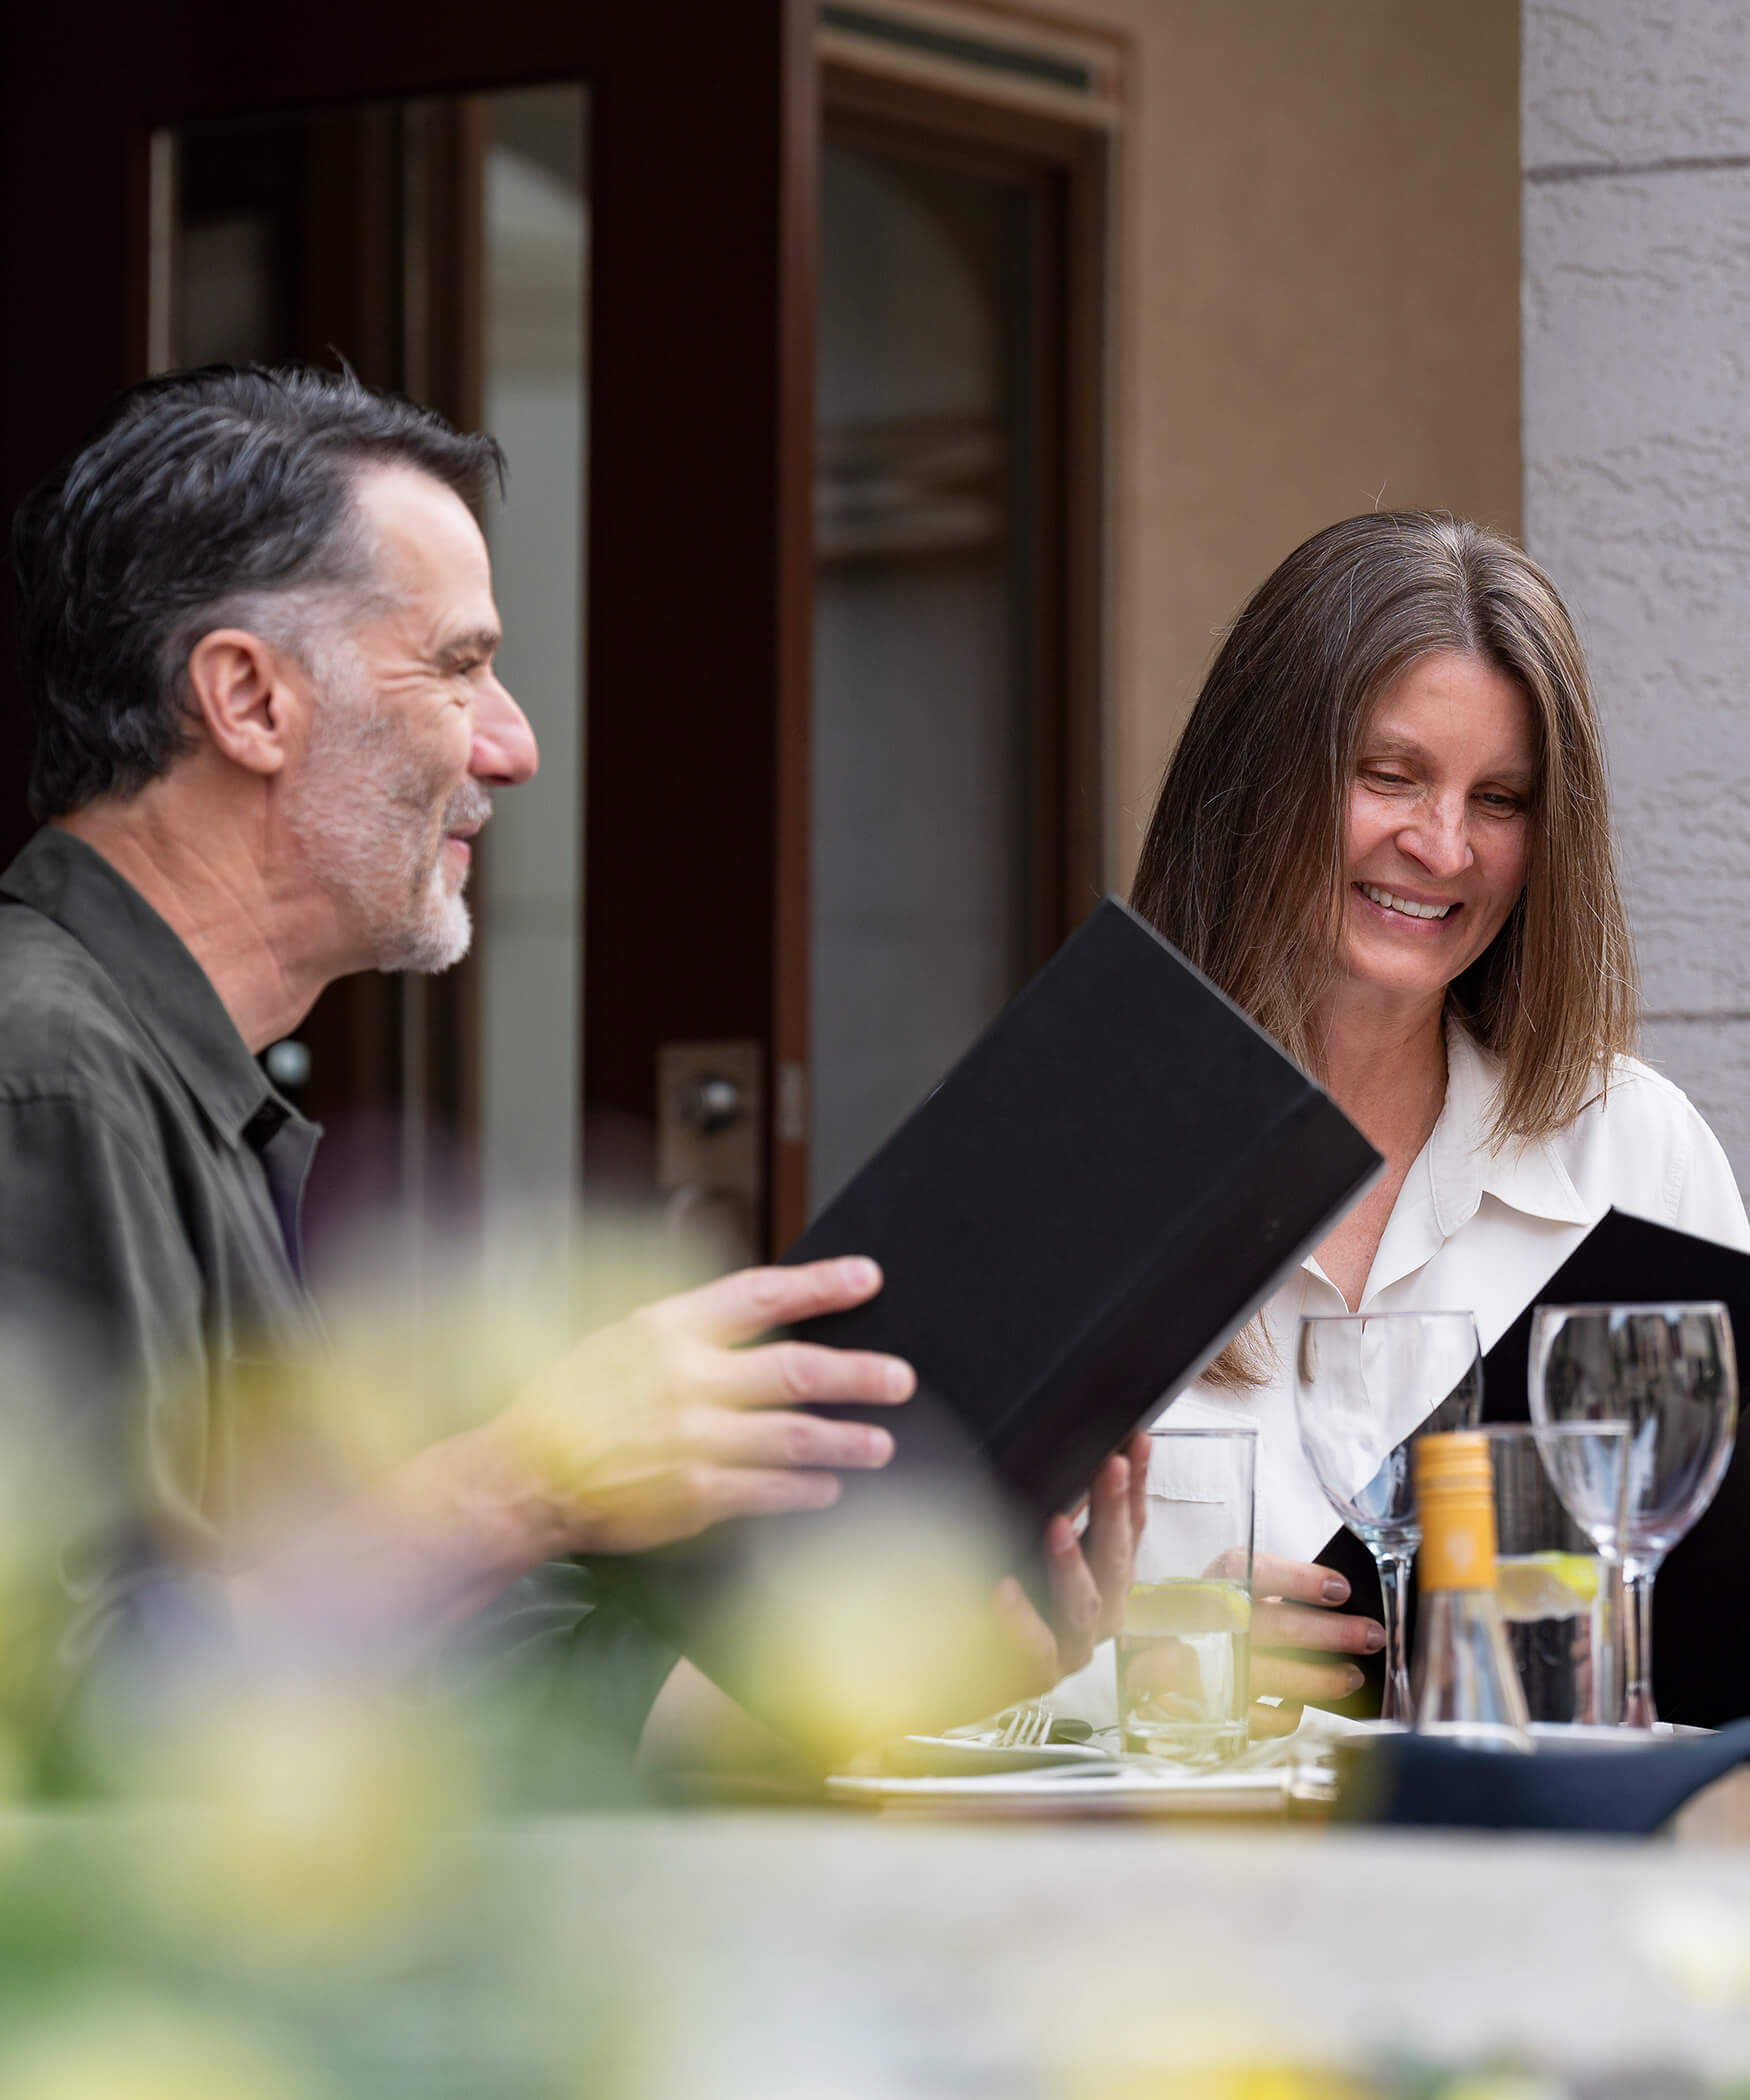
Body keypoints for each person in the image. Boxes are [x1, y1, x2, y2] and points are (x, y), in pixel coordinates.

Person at [1, 365, 1143, 1755]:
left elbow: (402, 1667)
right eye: (461, 664)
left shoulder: (166, 1080)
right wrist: (521, 1481)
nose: (516, 742)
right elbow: (75, 1716)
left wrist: (930, 1668)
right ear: (248, 701)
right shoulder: (43, 1064)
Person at [1059, 509, 1749, 1735]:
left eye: (1499, 799)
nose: (1442, 847)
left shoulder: (1633, 1155)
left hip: (1546, 1904)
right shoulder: (1063, 1170)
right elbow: (840, 1681)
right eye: (1387, 776)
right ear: (1254, 783)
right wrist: (1135, 1678)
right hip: (1176, 1911)